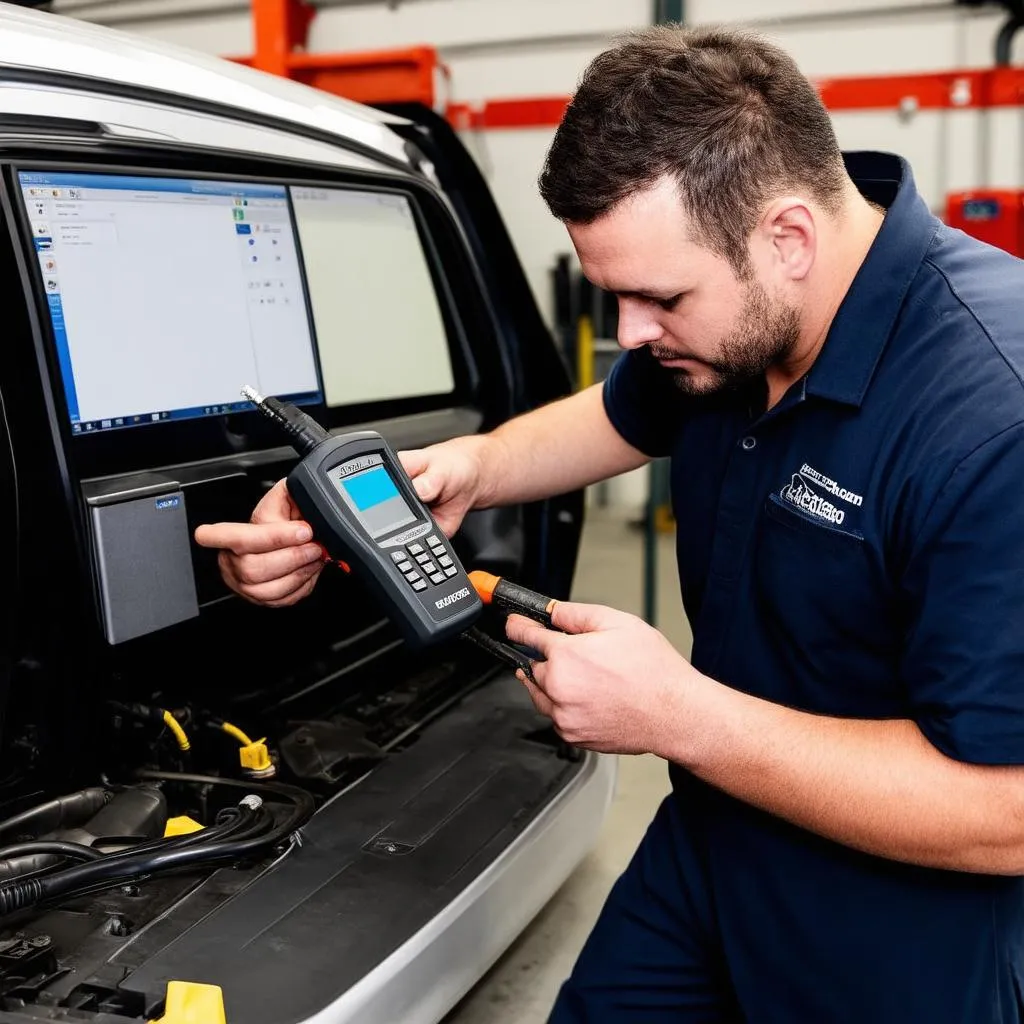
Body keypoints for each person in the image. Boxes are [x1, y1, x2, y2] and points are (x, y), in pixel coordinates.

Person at [194, 24, 1024, 1023]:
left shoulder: (991, 421)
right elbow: (619, 411)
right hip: (718, 840)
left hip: (907, 925)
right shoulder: (731, 326)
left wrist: (681, 717)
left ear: (789, 238)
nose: (628, 334)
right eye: (613, 295)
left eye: (656, 298)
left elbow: (1006, 812)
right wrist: (472, 468)